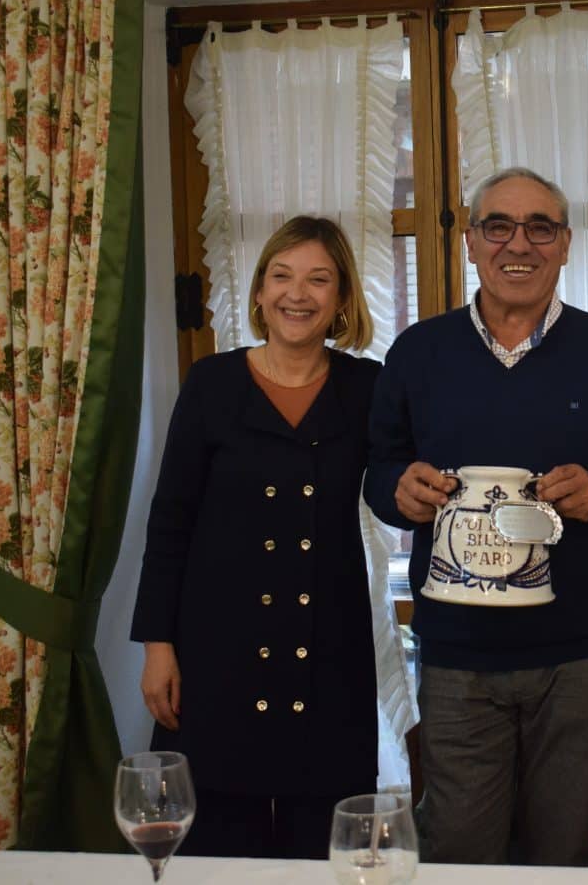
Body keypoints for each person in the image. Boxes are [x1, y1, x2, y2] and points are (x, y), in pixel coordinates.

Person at [364, 166, 588, 866]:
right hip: (456, 649)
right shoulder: (418, 353)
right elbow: (381, 468)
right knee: (459, 846)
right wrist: (399, 491)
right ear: (471, 243)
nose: (519, 243)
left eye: (541, 227)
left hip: (581, 654)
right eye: (498, 225)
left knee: (561, 850)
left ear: (566, 245)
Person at [131, 216, 380, 859]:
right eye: (282, 275)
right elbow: (170, 522)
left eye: (318, 279)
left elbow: (407, 480)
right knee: (215, 850)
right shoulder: (211, 384)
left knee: (322, 850)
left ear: (342, 298)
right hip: (218, 650)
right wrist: (158, 647)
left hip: (326, 649)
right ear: (261, 290)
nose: (297, 294)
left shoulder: (368, 389)